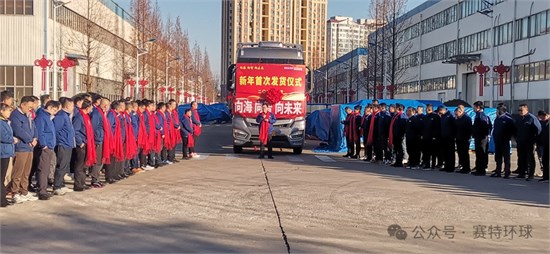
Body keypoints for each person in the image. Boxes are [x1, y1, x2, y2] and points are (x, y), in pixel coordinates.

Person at [8, 96, 38, 203]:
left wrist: (35, 138)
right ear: (22, 105)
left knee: (26, 172)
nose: (31, 109)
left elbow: (34, 127)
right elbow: (18, 130)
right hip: (21, 147)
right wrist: (29, 139)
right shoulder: (15, 115)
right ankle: (14, 192)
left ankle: (24, 191)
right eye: (29, 107)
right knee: (18, 172)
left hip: (30, 147)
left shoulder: (28, 115)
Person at [35, 100, 61, 200]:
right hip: (45, 148)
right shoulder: (42, 117)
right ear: (49, 107)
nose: (55, 112)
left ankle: (43, 188)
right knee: (43, 170)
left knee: (46, 169)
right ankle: (42, 191)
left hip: (50, 147)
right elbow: (40, 132)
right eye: (54, 110)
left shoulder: (47, 118)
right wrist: (44, 144)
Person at [52, 97, 76, 196]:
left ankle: (62, 184)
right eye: (72, 105)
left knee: (65, 166)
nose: (73, 107)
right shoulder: (61, 115)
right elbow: (56, 130)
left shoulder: (66, 115)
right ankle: (57, 186)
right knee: (61, 165)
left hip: (68, 144)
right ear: (67, 105)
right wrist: (60, 140)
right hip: (62, 144)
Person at [72, 99, 96, 191]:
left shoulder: (86, 116)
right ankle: (78, 184)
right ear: (87, 107)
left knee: (84, 165)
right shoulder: (79, 117)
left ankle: (82, 182)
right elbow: (75, 130)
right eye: (91, 107)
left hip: (88, 143)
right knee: (80, 165)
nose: (92, 109)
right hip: (82, 144)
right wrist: (80, 142)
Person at [514, 104, 541, 181]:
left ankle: (530, 174)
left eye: (521, 110)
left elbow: (538, 129)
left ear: (526, 110)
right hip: (520, 141)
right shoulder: (519, 119)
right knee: (521, 157)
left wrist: (535, 139)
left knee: (530, 158)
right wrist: (516, 138)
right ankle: (522, 173)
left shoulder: (531, 118)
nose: (520, 112)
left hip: (529, 141)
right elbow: (515, 129)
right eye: (519, 110)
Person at [491, 104, 516, 178]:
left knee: (506, 157)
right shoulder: (497, 119)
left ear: (501, 111)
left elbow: (513, 130)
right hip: (497, 140)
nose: (496, 112)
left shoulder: (508, 119)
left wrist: (509, 137)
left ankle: (507, 172)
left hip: (505, 141)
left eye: (498, 110)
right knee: (498, 157)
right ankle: (498, 171)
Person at [89, 95, 107, 188]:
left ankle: (97, 179)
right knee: (97, 161)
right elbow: (93, 127)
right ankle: (94, 179)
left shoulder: (101, 113)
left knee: (100, 161)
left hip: (101, 139)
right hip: (97, 140)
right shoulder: (97, 114)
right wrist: (97, 138)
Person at [472, 101, 492, 176]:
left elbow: (486, 126)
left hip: (481, 138)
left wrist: (484, 135)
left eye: (474, 107)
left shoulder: (481, 115)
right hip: (479, 137)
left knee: (481, 153)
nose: (473, 108)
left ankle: (481, 170)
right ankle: (478, 168)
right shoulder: (478, 115)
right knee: (479, 153)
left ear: (478, 107)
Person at [1, 103, 15, 207]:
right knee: (1, 177)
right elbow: (4, 137)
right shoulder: (1, 123)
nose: (9, 112)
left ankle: (2, 198)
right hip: (2, 153)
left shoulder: (5, 122)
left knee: (3, 177)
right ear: (1, 111)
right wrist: (13, 139)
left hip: (5, 152)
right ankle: (1, 200)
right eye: (8, 110)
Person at [421, 104, 441, 170]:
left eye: (427, 109)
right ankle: (427, 164)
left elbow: (437, 127)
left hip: (433, 138)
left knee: (433, 152)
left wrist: (435, 136)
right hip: (426, 137)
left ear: (430, 109)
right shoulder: (426, 117)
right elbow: (424, 127)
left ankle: (433, 165)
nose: (426, 110)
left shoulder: (435, 116)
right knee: (426, 152)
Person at [454, 105, 472, 174]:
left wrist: (467, 138)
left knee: (464, 154)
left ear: (460, 112)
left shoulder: (467, 119)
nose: (456, 115)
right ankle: (462, 166)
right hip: (458, 138)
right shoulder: (458, 119)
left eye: (457, 113)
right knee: (460, 153)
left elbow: (469, 130)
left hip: (465, 139)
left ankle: (467, 168)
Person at [438, 106, 456, 172]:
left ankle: (451, 167)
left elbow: (454, 125)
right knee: (445, 152)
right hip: (443, 137)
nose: (439, 112)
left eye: (440, 111)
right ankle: (446, 166)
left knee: (450, 153)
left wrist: (453, 135)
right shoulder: (443, 116)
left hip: (450, 137)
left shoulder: (450, 115)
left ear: (442, 110)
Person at [536, 110, 549, 177]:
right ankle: (544, 172)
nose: (540, 119)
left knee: (546, 160)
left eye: (541, 117)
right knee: (541, 159)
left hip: (546, 144)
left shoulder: (547, 123)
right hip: (540, 144)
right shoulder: (540, 122)